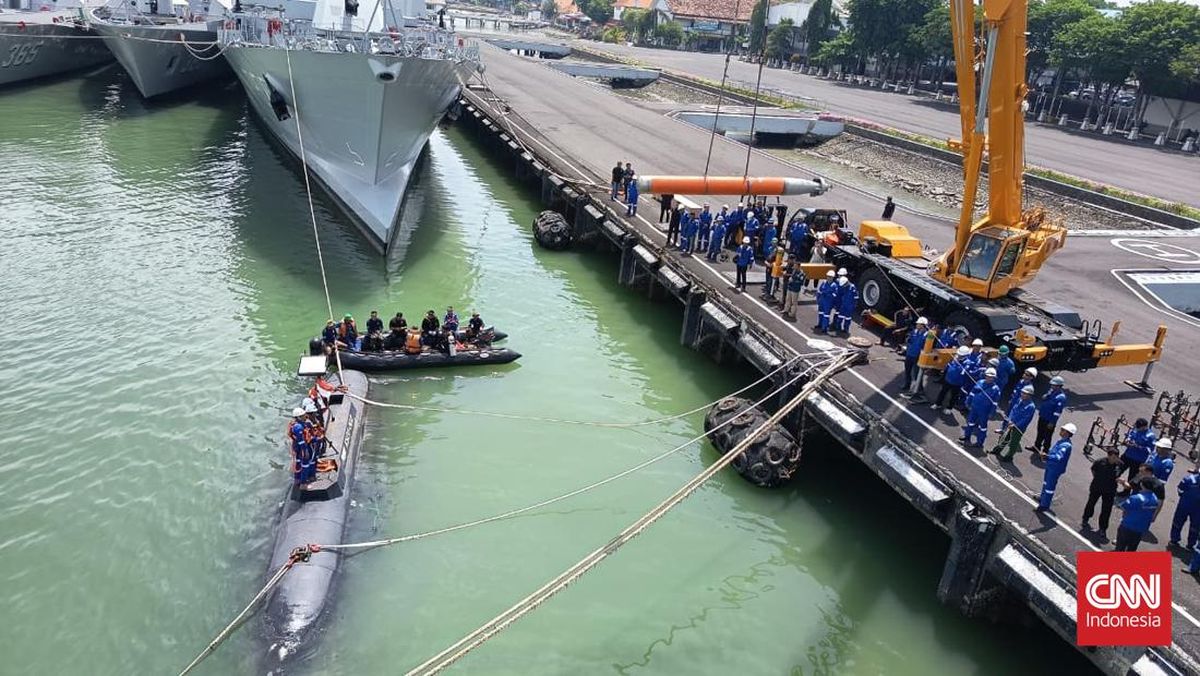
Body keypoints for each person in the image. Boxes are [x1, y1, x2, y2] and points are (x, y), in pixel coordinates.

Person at [1081, 448, 1123, 539]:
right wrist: (1098, 479)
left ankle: (1103, 528)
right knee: (1091, 503)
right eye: (1113, 457)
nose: (1115, 459)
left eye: (1116, 457)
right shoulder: (1100, 462)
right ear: (1108, 455)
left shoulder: (1119, 464)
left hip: (1110, 490)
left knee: (1106, 510)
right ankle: (1085, 518)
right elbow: (1093, 470)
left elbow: (1118, 475)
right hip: (1097, 487)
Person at [1035, 422, 1077, 512]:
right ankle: (1042, 498)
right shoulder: (1061, 442)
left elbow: (1058, 457)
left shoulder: (1066, 445)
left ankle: (1044, 505)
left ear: (1067, 432)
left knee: (1049, 487)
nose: (1061, 431)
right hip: (1051, 465)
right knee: (1046, 483)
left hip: (1055, 468)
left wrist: (1047, 456)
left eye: (1063, 430)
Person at [1114, 476, 1160, 551]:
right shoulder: (1155, 498)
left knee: (1120, 548)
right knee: (1132, 548)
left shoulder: (1136, 498)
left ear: (1142, 485)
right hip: (1141, 528)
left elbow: (1123, 506)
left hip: (1128, 526)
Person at [992, 385, 1037, 461]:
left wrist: (1015, 425)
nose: (1023, 394)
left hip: (1019, 428)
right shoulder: (1020, 400)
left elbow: (1026, 419)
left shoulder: (1031, 407)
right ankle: (997, 450)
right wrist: (1009, 420)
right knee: (1005, 438)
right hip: (1011, 424)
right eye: (1022, 392)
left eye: (1025, 393)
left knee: (1013, 442)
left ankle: (1009, 457)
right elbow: (1013, 410)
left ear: (1030, 395)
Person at [961, 367, 1001, 448]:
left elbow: (995, 403)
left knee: (982, 427)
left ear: (994, 378)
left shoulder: (996, 389)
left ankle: (980, 442)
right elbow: (972, 393)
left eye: (991, 377)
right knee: (970, 422)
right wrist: (968, 402)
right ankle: (967, 437)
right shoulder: (980, 382)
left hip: (984, 411)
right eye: (988, 376)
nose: (989, 378)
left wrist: (991, 413)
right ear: (985, 376)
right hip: (974, 408)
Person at [1029, 376, 1067, 456]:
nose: (1051, 386)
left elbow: (1057, 412)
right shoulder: (1051, 392)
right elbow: (1044, 398)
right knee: (1040, 432)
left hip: (1049, 420)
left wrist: (1052, 422)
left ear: (1058, 386)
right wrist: (1047, 395)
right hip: (1043, 416)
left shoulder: (1061, 397)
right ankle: (1036, 447)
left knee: (1047, 436)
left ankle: (1045, 451)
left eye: (1053, 385)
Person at [933, 346, 971, 413]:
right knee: (942, 392)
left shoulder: (967, 363)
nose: (959, 356)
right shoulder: (954, 358)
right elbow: (948, 365)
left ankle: (949, 408)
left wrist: (958, 362)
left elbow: (962, 371)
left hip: (957, 383)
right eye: (959, 354)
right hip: (948, 379)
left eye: (961, 355)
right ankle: (937, 404)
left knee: (954, 396)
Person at [1170, 467, 1200, 550]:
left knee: (1178, 522)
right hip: (1196, 509)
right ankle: (1190, 545)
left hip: (1185, 505)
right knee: (1195, 526)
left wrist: (1185, 497)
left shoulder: (1188, 479)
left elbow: (1180, 490)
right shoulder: (1188, 479)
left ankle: (1174, 539)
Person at [901, 316, 929, 391]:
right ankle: (907, 384)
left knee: (917, 374)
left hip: (918, 357)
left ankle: (919, 389)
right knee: (908, 371)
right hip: (909, 354)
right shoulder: (914, 331)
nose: (917, 325)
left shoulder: (927, 335)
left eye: (918, 324)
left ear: (923, 325)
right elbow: (909, 340)